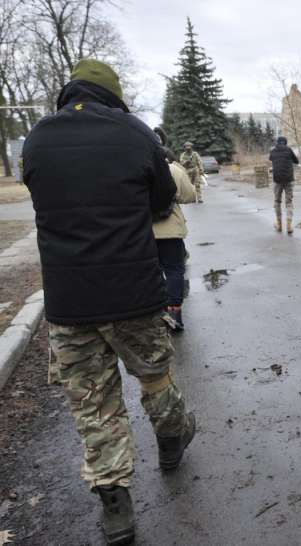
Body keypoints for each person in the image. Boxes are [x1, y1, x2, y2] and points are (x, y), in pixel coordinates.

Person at [22, 59, 196, 545]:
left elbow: (42, 196)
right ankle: (171, 438)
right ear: (113, 94)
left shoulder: (36, 139)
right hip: (134, 294)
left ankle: (115, 503)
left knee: (93, 404)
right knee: (155, 377)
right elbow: (162, 200)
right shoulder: (137, 134)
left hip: (69, 301)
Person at [153, 127, 196, 332]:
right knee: (174, 270)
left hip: (143, 232)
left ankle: (156, 315)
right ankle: (175, 313)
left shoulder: (134, 167)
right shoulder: (173, 169)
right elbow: (189, 196)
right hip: (170, 231)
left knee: (152, 272)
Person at [268, 136, 299, 233]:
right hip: (288, 179)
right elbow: (296, 161)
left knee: (277, 201)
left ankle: (279, 224)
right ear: (286, 143)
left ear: (277, 142)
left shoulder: (273, 151)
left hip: (277, 179)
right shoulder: (289, 150)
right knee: (289, 202)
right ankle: (289, 225)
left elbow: (271, 159)